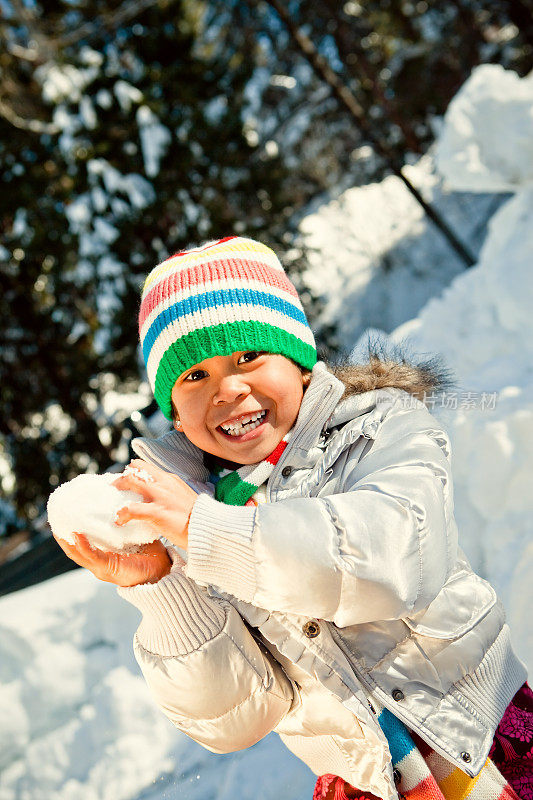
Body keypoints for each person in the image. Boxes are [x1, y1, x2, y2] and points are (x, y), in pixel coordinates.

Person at [55, 236, 531, 800]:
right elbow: (238, 717)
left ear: (300, 363)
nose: (228, 388)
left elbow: (394, 560)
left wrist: (208, 532)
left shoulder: (379, 430)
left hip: (477, 738)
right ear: (176, 417)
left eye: (247, 357)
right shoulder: (194, 514)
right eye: (193, 377)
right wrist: (161, 586)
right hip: (363, 785)